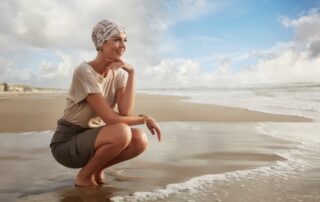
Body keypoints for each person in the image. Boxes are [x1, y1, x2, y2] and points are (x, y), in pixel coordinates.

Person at [50, 19, 162, 187]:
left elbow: (125, 113)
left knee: (140, 140)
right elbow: (111, 119)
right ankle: (84, 177)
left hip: (96, 137)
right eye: (116, 39)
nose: (123, 45)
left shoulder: (119, 74)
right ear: (101, 43)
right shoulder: (84, 71)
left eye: (125, 40)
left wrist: (131, 73)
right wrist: (145, 119)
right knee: (122, 132)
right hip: (67, 143)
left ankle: (96, 169)